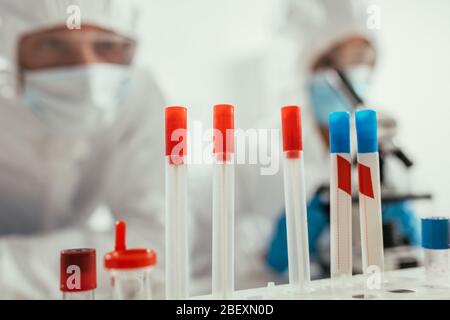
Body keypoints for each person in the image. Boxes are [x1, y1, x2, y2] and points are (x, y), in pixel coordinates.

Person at [0, 0, 168, 298]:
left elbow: (156, 240)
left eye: (106, 45)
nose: (88, 72)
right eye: (53, 45)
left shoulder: (138, 96)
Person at [266, 0, 421, 279]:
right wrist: (314, 214)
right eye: (342, 63)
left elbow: (419, 247)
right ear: (307, 66)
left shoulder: (376, 128)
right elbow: (258, 265)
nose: (357, 73)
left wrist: (398, 212)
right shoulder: (265, 146)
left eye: (363, 62)